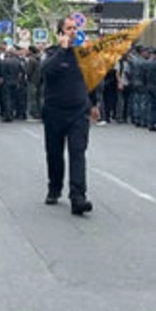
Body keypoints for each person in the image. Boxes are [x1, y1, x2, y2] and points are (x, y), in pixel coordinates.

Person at [39, 16, 96, 216]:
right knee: (54, 153)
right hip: (54, 111)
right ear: (60, 33)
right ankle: (54, 188)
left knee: (78, 152)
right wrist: (63, 50)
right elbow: (45, 71)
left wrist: (94, 104)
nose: (73, 32)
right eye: (69, 28)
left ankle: (78, 197)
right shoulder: (52, 53)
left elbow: (92, 79)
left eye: (75, 28)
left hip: (78, 112)